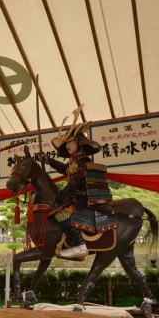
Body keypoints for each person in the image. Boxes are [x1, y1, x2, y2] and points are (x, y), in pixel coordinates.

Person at [43, 107, 101, 258]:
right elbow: (65, 170)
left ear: (78, 142)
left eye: (69, 142)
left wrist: (62, 193)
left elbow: (76, 181)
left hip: (83, 198)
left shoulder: (84, 161)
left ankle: (80, 244)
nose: (67, 146)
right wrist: (49, 160)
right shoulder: (73, 161)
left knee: (60, 215)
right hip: (75, 197)